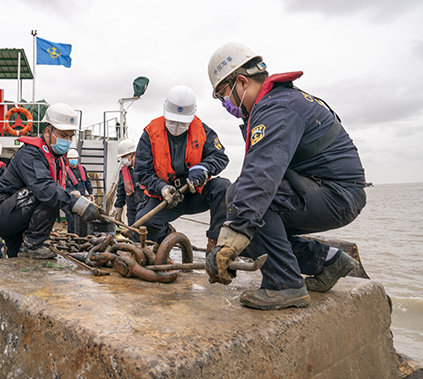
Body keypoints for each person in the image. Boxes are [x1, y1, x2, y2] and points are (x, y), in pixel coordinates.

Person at [205, 42, 367, 310]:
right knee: (246, 219)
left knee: (244, 205)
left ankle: (285, 285)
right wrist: (235, 232)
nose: (227, 104)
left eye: (224, 95)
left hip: (337, 194)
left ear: (241, 82)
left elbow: (260, 177)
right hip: (330, 189)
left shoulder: (277, 109)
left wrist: (229, 240)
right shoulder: (278, 103)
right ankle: (328, 261)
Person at [0, 103, 106, 259]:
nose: (68, 140)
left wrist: (79, 198)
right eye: (63, 135)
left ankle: (24, 251)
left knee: (17, 258)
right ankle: (33, 246)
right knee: (49, 194)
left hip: (18, 210)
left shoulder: (56, 159)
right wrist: (77, 204)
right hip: (1, 212)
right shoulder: (30, 154)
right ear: (48, 131)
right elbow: (43, 188)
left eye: (70, 137)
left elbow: (60, 188)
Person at [134, 85, 231, 249]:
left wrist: (203, 169)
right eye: (172, 121)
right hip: (167, 197)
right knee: (145, 223)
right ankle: (168, 236)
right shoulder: (150, 134)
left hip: (196, 193)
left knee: (223, 187)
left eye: (182, 122)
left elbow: (220, 156)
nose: (177, 126)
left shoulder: (202, 131)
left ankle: (215, 242)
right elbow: (142, 172)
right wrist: (161, 187)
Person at [114, 138, 146, 225]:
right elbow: (121, 194)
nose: (123, 159)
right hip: (132, 211)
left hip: (146, 209)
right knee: (133, 232)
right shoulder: (123, 172)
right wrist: (118, 213)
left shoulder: (145, 168)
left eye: (124, 156)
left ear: (133, 154)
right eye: (121, 157)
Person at [65, 148, 94, 235]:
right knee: (71, 220)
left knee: (82, 220)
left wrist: (90, 193)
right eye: (71, 158)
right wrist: (73, 192)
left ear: (77, 158)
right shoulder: (65, 171)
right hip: (70, 199)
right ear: (68, 159)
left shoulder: (82, 169)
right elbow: (66, 185)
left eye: (75, 158)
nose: (73, 160)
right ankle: (72, 237)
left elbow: (87, 181)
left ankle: (81, 237)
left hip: (82, 199)